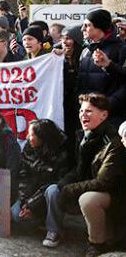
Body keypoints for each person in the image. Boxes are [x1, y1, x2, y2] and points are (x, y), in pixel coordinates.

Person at [48, 94, 126, 256]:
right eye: (81, 111)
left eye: (89, 111)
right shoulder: (83, 135)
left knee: (88, 199)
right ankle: (54, 231)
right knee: (53, 189)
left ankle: (97, 243)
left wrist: (70, 190)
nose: (83, 114)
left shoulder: (113, 142)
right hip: (92, 185)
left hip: (114, 194)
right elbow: (79, 170)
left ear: (104, 115)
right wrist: (63, 185)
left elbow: (104, 182)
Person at [10, 119, 71, 248]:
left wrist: (33, 205)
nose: (28, 137)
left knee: (54, 190)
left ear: (43, 136)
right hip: (32, 194)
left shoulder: (63, 152)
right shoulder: (28, 148)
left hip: (49, 194)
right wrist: (24, 201)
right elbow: (23, 177)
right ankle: (42, 220)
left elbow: (57, 181)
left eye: (31, 135)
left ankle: (54, 231)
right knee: (16, 215)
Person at [76, 9, 126, 125]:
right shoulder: (85, 52)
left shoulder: (121, 49)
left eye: (87, 25)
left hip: (111, 117)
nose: (82, 29)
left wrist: (105, 106)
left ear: (100, 28)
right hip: (87, 117)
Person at [60, 26, 84, 165]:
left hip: (79, 107)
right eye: (63, 38)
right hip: (65, 108)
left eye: (68, 38)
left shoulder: (84, 56)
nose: (65, 42)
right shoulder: (58, 57)